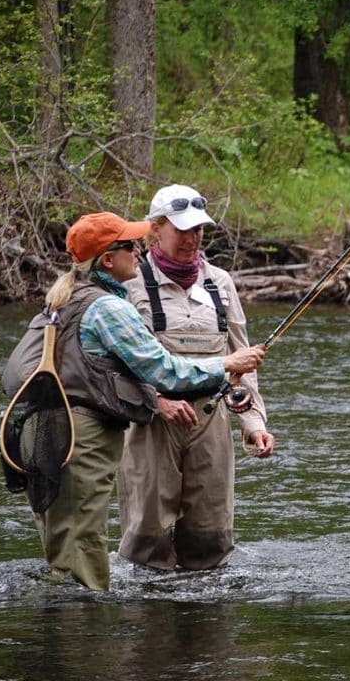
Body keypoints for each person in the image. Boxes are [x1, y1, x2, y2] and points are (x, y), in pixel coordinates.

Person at [4, 211, 266, 591]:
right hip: (81, 438)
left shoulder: (64, 298)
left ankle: (64, 634)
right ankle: (82, 636)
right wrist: (228, 363)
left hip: (48, 431)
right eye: (130, 245)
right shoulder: (108, 308)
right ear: (107, 259)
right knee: (83, 556)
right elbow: (166, 371)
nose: (139, 251)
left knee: (66, 548)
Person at [117, 184, 275, 572]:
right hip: (151, 421)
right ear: (155, 229)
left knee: (211, 540)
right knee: (146, 543)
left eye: (199, 229)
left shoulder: (220, 282)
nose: (193, 239)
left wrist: (253, 424)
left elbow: (241, 360)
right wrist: (157, 402)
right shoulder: (127, 284)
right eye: (182, 229)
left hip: (212, 419)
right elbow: (114, 365)